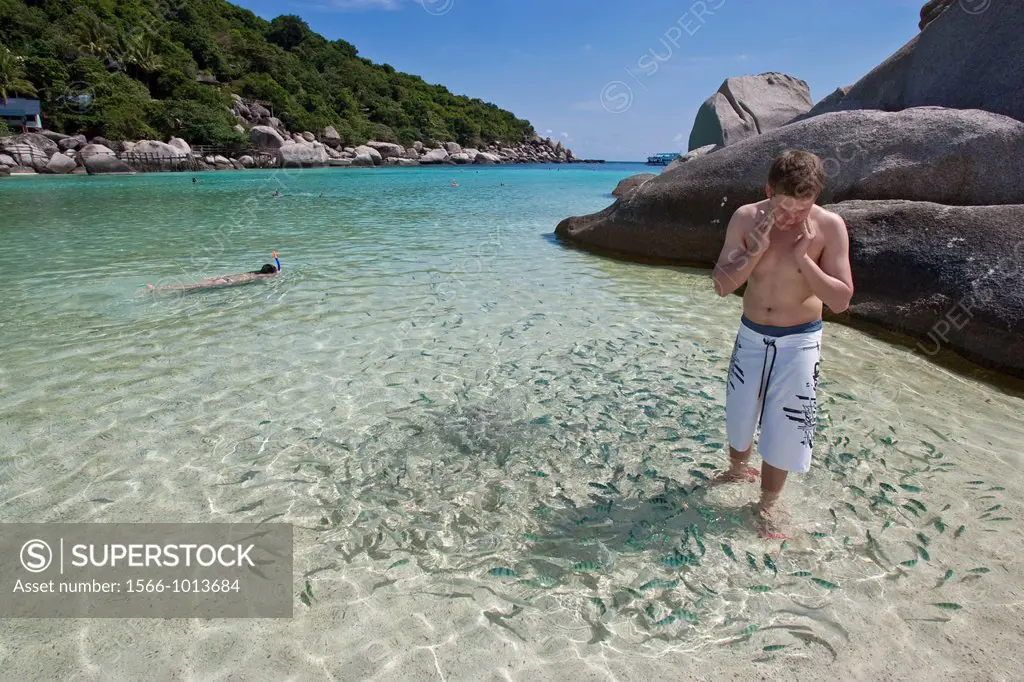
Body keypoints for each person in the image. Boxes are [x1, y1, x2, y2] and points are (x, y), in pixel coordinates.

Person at [710, 150, 854, 538]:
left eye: (801, 209)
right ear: (768, 190)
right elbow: (722, 285)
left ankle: (767, 507)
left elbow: (841, 300)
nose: (791, 218)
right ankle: (738, 469)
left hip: (800, 342)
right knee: (740, 414)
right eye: (783, 208)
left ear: (816, 197)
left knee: (785, 426)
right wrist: (753, 252)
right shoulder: (745, 218)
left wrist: (804, 260)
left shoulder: (830, 227)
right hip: (752, 333)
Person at [147, 261, 280, 292]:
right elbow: (271, 275)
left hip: (223, 277)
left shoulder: (252, 273)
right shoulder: (259, 276)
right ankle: (158, 289)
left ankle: (160, 288)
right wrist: (277, 272)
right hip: (225, 282)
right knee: (192, 287)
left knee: (193, 286)